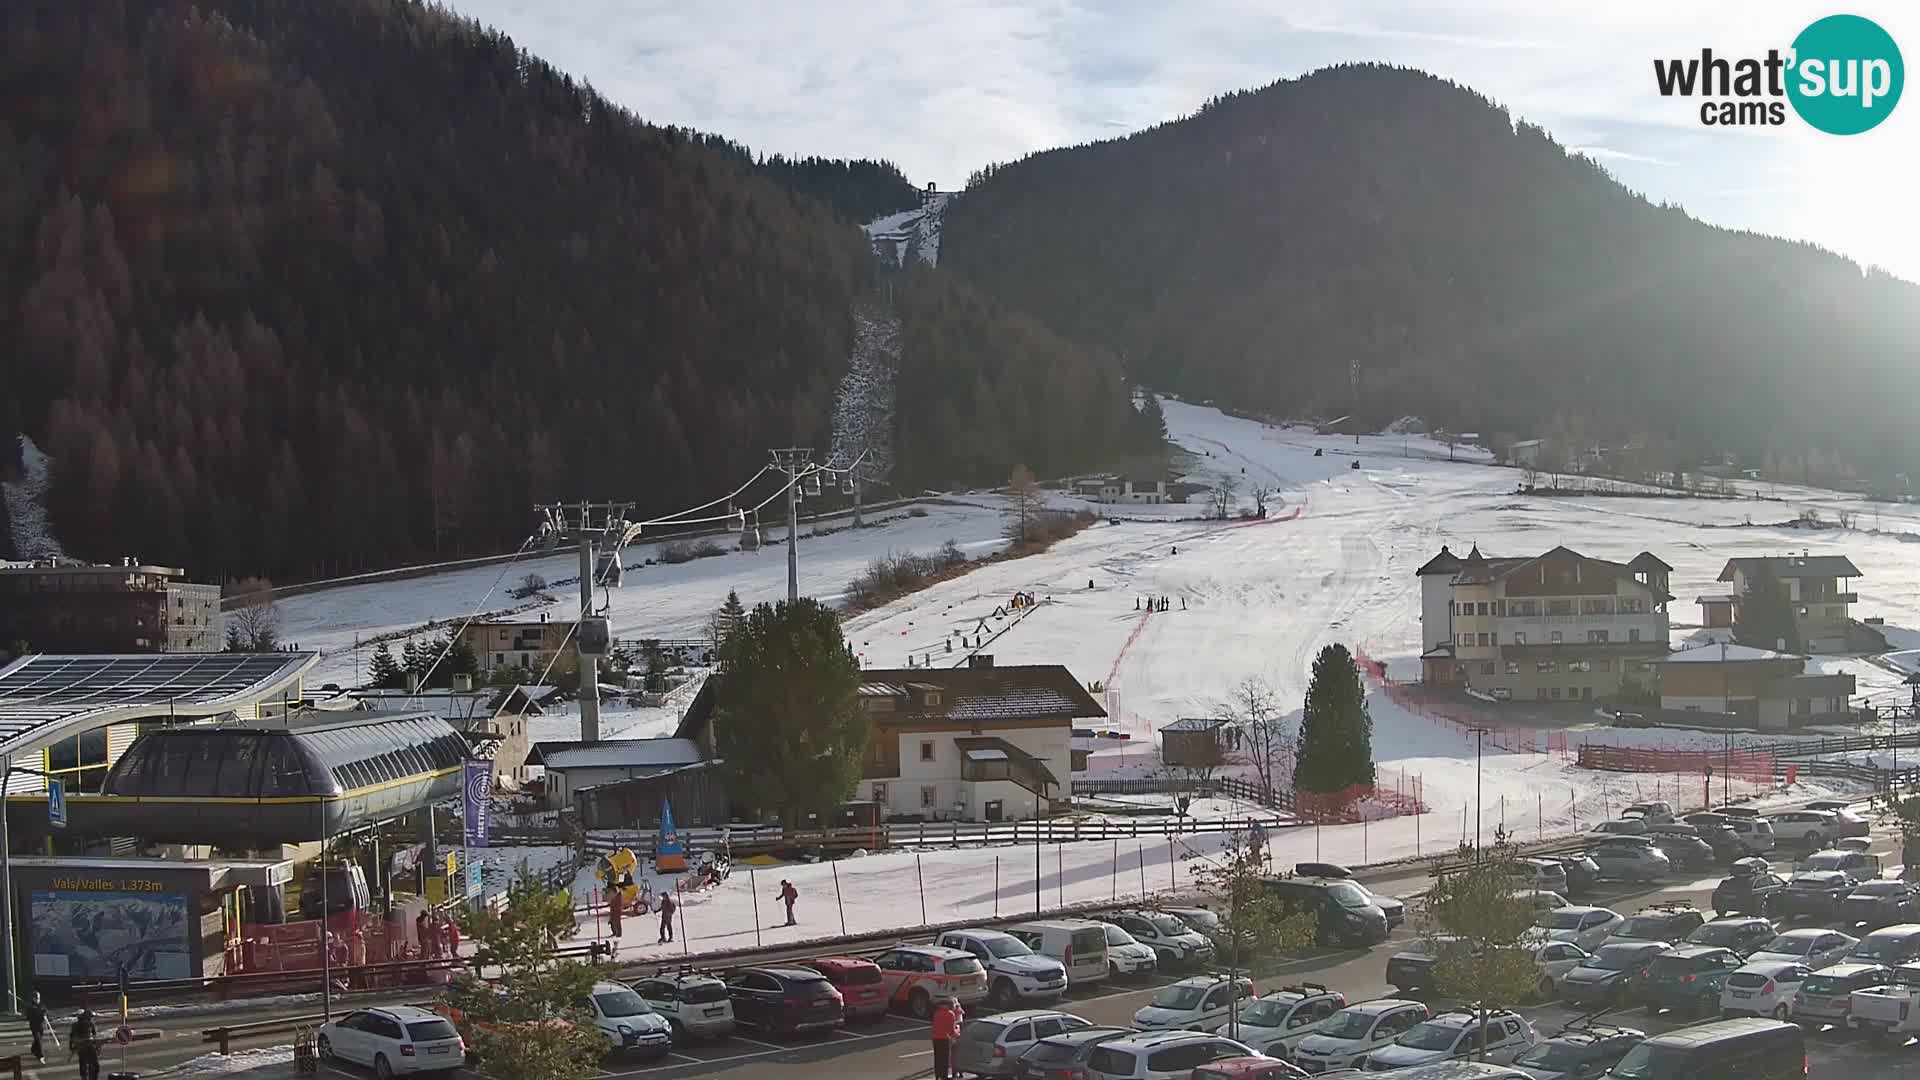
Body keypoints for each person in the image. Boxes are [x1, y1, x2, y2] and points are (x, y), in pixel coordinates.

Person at [930, 995, 964, 1080]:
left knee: (938, 1057)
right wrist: (958, 1034)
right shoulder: (950, 1014)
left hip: (935, 1038)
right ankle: (944, 1076)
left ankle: (938, 1075)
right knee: (945, 1059)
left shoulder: (937, 1013)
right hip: (944, 1038)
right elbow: (951, 1030)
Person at [69, 1008, 99, 1080]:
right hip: (89, 1046)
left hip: (81, 1048)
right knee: (94, 1064)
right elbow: (95, 1036)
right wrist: (97, 1046)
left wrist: (71, 1047)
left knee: (83, 1064)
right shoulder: (90, 1024)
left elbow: (71, 1037)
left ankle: (84, 1077)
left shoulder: (75, 1025)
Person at [26, 990, 47, 1063]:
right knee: (39, 1041)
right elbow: (28, 1017)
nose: (38, 1000)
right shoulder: (30, 1007)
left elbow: (45, 1011)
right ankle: (40, 1056)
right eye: (37, 998)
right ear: (33, 998)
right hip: (34, 1026)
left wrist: (44, 1013)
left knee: (38, 1039)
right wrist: (36, 1012)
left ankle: (33, 1049)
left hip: (41, 1026)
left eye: (39, 998)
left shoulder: (41, 1005)